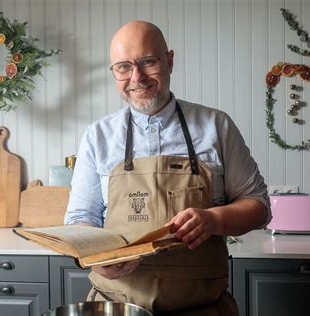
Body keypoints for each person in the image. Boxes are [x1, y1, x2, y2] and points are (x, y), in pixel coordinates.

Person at [64, 20, 270, 316]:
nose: (136, 77)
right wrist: (93, 256)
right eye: (123, 67)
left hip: (203, 308)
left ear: (169, 61)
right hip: (114, 307)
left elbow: (259, 206)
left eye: (148, 62)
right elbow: (80, 218)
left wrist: (212, 220)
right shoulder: (97, 136)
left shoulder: (216, 126)